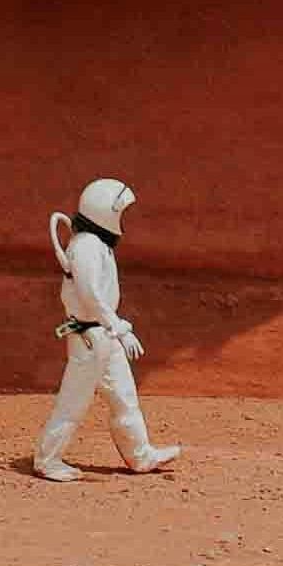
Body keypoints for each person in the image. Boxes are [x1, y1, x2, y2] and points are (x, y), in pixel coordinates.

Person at [34, 176, 182, 481]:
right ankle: (47, 459)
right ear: (106, 211)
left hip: (103, 336)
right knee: (73, 402)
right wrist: (118, 326)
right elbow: (90, 294)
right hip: (90, 337)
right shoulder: (87, 246)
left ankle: (140, 455)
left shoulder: (96, 245)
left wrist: (114, 329)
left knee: (124, 397)